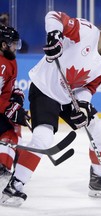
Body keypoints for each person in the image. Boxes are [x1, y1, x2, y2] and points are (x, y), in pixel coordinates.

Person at [0, 11, 101, 206]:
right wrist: (55, 35)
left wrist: (84, 106)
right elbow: (54, 16)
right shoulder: (86, 32)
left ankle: (98, 181)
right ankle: (14, 186)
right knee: (43, 138)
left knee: (100, 129)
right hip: (45, 88)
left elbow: (89, 87)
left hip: (70, 96)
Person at [0, 25, 30, 191]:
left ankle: (9, 157)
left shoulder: (9, 61)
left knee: (14, 124)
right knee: (10, 132)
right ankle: (2, 167)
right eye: (13, 44)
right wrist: (9, 109)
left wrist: (14, 95)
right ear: (4, 45)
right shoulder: (1, 65)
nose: (15, 48)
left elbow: (5, 89)